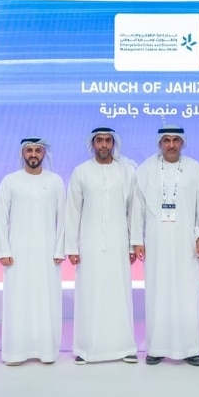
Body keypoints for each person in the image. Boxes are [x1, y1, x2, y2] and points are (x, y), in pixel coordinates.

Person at [133, 126, 199, 366]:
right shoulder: (146, 169)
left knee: (188, 293)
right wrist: (137, 241)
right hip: (156, 241)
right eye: (166, 140)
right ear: (160, 143)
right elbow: (138, 208)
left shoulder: (194, 168)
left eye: (176, 140)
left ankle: (191, 349)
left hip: (186, 242)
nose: (171, 145)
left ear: (182, 143)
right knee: (158, 293)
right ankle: (156, 347)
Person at [64, 127, 139, 364]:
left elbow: (132, 211)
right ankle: (86, 349)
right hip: (89, 244)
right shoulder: (81, 172)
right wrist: (71, 246)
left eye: (108, 140)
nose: (104, 145)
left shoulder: (127, 172)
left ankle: (124, 347)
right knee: (90, 294)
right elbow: (72, 211)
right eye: (99, 141)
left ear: (113, 143)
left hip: (118, 243)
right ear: (93, 144)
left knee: (119, 294)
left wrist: (132, 244)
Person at [0, 137, 65, 366]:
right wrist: (3, 249)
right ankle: (15, 352)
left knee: (47, 300)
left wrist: (60, 249)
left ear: (44, 154)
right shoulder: (10, 181)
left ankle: (46, 351)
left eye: (37, 150)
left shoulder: (55, 181)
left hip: (48, 253)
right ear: (22, 154)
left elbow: (63, 218)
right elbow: (1, 218)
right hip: (17, 252)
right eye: (29, 151)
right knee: (18, 300)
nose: (33, 154)